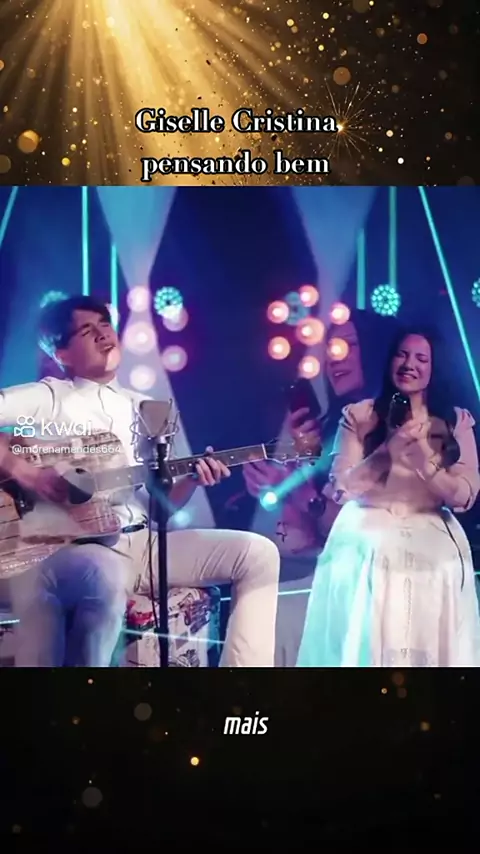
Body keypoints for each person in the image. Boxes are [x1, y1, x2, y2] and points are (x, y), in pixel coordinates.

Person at [0, 296, 280, 667]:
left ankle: (243, 683)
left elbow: (158, 508)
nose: (103, 334)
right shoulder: (50, 398)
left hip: (144, 543)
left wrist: (192, 480)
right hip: (80, 549)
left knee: (258, 554)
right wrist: (27, 472)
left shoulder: (150, 409)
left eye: (105, 324)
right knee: (103, 577)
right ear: (62, 353)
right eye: (87, 330)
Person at [297, 326, 480, 667]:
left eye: (421, 358)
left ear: (434, 367)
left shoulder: (455, 421)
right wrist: (385, 454)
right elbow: (341, 486)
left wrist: (427, 465)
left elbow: (465, 493)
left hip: (430, 525)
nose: (409, 364)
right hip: (368, 519)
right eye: (402, 355)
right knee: (372, 556)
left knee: (439, 565)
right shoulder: (360, 415)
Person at [242, 308, 400, 666]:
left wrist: (299, 493)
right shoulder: (331, 428)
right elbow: (303, 533)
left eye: (350, 345)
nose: (335, 356)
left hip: (371, 578)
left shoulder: (393, 430)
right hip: (322, 565)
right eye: (331, 347)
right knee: (248, 590)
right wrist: (275, 485)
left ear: (376, 351)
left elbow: (354, 532)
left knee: (266, 614)